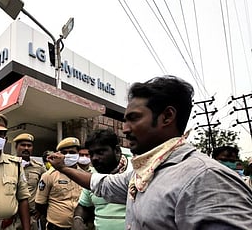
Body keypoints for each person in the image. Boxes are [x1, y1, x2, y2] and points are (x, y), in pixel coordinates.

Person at [47, 76, 252, 229]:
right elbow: (101, 184)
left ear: (167, 117)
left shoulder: (206, 178)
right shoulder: (145, 173)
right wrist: (63, 167)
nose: (125, 129)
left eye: (134, 118)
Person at [73, 129, 131, 230]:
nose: (94, 158)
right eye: (91, 154)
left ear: (116, 151)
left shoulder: (136, 171)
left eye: (100, 152)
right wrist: (77, 219)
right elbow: (83, 205)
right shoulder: (92, 177)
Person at [35, 137, 82, 230]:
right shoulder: (49, 175)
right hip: (57, 227)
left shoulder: (83, 175)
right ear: (58, 154)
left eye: (72, 152)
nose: (68, 155)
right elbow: (40, 205)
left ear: (78, 154)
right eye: (64, 152)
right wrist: (56, 215)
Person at [13, 133, 47, 230]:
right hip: (11, 218)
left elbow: (47, 187)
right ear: (16, 147)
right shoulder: (9, 165)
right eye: (23, 145)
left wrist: (41, 208)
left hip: (32, 217)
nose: (26, 148)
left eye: (29, 146)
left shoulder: (39, 167)